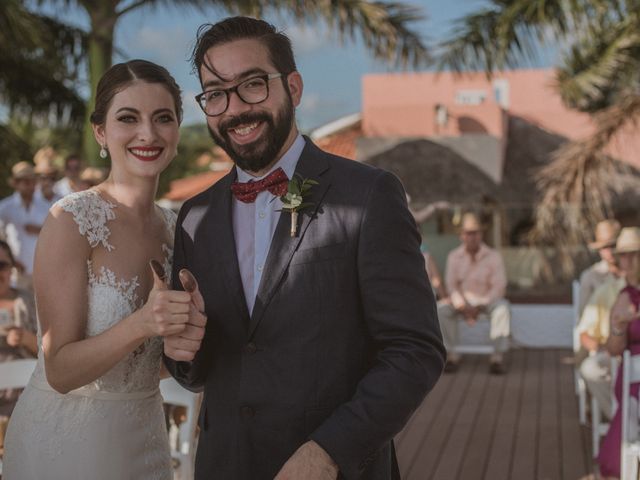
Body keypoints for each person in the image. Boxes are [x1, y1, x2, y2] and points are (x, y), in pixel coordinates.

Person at [163, 16, 445, 480]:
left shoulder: (369, 195)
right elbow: (194, 371)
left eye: (252, 84)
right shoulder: (194, 216)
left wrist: (328, 453)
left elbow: (415, 350)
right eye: (216, 93)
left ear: (292, 87)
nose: (234, 108)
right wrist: (183, 349)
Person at [3, 59, 206, 479]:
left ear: (176, 130)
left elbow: (149, 363)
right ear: (101, 131)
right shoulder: (71, 220)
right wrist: (143, 322)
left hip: (146, 437)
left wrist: (187, 339)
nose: (147, 134)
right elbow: (59, 370)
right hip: (66, 447)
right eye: (128, 118)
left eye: (162, 118)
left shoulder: (176, 229)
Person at [591, 227, 640, 479]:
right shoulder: (624, 296)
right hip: (634, 377)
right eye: (624, 255)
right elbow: (613, 349)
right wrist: (619, 327)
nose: (628, 260)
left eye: (634, 254)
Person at [438, 212, 511, 374]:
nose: (472, 237)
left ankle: (496, 358)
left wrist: (479, 305)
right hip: (462, 303)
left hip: (487, 301)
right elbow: (451, 285)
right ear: (461, 236)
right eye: (468, 233)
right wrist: (462, 306)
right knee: (440, 310)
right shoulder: (454, 256)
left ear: (481, 234)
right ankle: (452, 354)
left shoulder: (493, 256)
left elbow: (499, 286)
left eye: (475, 233)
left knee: (503, 309)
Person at [0, 240, 37, 451]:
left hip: (24, 401)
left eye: (1, 265)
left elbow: (50, 352)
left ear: (12, 267)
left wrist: (24, 338)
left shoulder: (28, 301)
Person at [0, 162, 50, 286]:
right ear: (16, 184)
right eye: (26, 182)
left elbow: (54, 235)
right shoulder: (6, 207)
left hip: (42, 269)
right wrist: (12, 261)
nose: (30, 185)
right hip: (16, 271)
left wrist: (39, 230)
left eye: (32, 181)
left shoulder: (44, 206)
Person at [579, 219, 622, 316]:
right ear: (599, 249)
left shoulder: (632, 273)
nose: (610, 251)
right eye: (605, 247)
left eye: (613, 246)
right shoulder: (590, 276)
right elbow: (583, 315)